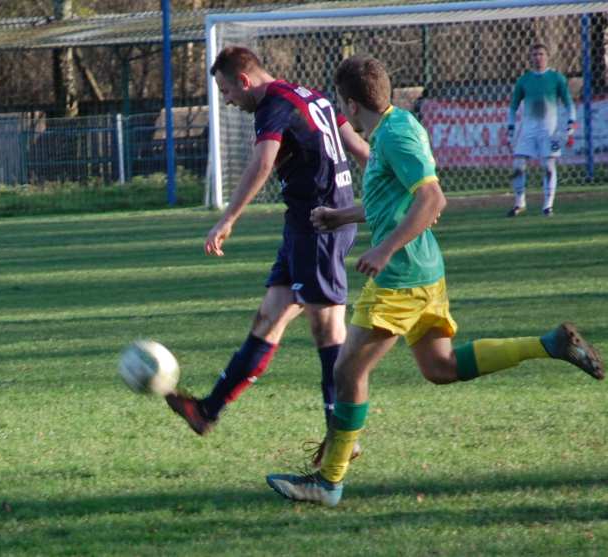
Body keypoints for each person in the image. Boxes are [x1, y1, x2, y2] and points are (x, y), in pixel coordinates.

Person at [265, 55, 604, 507]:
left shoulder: (396, 136)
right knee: (439, 367)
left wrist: (383, 249)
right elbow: (395, 199)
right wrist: (340, 215)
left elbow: (433, 199)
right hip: (426, 271)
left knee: (348, 371)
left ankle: (327, 482)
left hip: (401, 275)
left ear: (348, 103)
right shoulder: (396, 126)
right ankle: (548, 344)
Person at [165, 46, 370, 443]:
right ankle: (207, 410)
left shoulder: (272, 105)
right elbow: (359, 149)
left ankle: (341, 437)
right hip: (302, 226)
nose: (227, 100)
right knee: (269, 316)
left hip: (320, 225)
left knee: (327, 332)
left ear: (244, 81)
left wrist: (227, 219)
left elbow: (262, 163)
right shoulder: (312, 95)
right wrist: (386, 174)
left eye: (226, 92)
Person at [506, 43, 576, 217]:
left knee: (548, 165)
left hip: (549, 131)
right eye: (535, 54)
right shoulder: (524, 80)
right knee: (518, 164)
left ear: (547, 56)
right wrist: (511, 127)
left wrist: (571, 122)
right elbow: (513, 106)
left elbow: (568, 102)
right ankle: (519, 203)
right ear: (530, 57)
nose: (538, 57)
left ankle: (547, 206)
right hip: (528, 130)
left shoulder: (557, 78)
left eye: (541, 54)